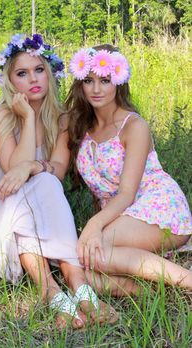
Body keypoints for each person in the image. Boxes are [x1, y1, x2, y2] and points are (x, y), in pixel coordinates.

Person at [0, 35, 118, 329]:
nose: (33, 79)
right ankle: (60, 289)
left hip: (42, 201)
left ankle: (68, 291)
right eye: (22, 73)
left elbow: (56, 170)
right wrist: (28, 118)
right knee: (34, 189)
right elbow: (14, 174)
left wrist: (33, 165)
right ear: (9, 80)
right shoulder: (0, 116)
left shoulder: (62, 119)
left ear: (50, 73)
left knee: (45, 182)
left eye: (39, 70)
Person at [66, 44, 192, 296]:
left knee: (95, 251)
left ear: (119, 81)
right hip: (121, 217)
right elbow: (100, 191)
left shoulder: (134, 126)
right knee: (85, 272)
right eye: (89, 81)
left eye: (105, 80)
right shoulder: (82, 126)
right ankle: (154, 294)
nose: (96, 89)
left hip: (157, 206)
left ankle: (187, 282)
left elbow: (126, 193)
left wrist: (93, 226)